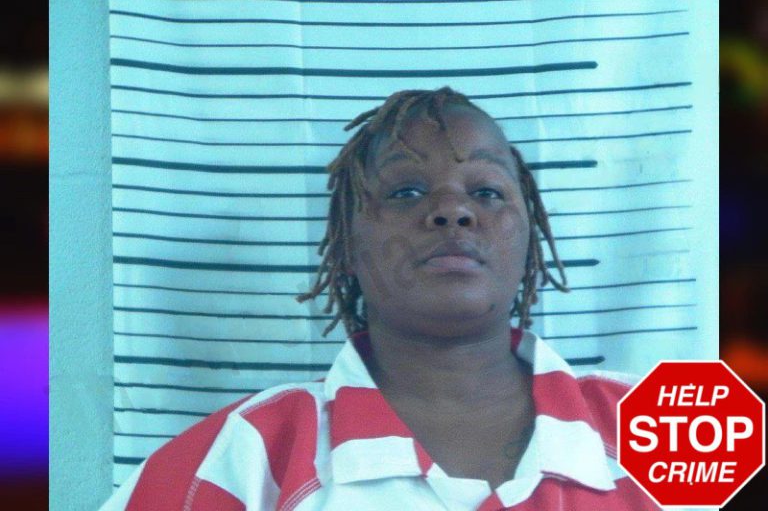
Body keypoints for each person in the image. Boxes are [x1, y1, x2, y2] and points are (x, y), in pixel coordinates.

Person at [101, 88, 658, 510]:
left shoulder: (666, 427)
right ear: (347, 246)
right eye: (406, 192)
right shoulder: (248, 454)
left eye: (487, 191)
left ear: (529, 239)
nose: (452, 210)